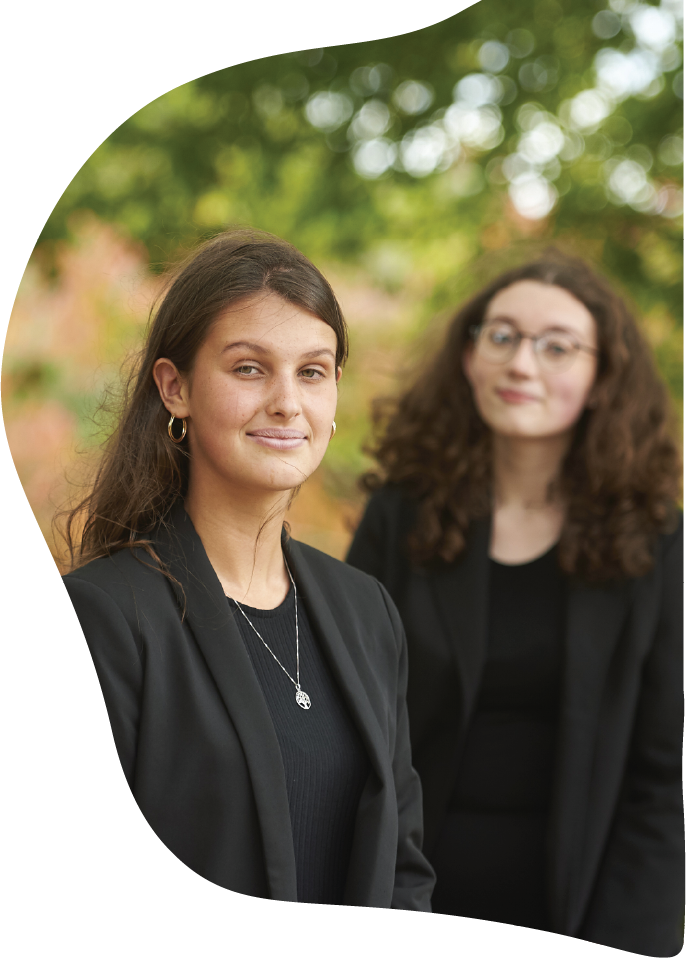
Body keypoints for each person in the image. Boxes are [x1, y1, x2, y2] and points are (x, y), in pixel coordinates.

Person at [57, 229, 435, 946]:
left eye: (313, 372)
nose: (288, 403)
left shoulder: (366, 612)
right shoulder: (104, 619)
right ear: (176, 388)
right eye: (250, 369)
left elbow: (403, 871)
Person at [346, 250, 686, 956]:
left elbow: (666, 779)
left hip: (580, 915)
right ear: (469, 357)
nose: (521, 364)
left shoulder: (659, 544)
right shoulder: (401, 516)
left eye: (557, 347)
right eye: (500, 336)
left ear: (602, 379)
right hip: (403, 903)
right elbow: (349, 722)